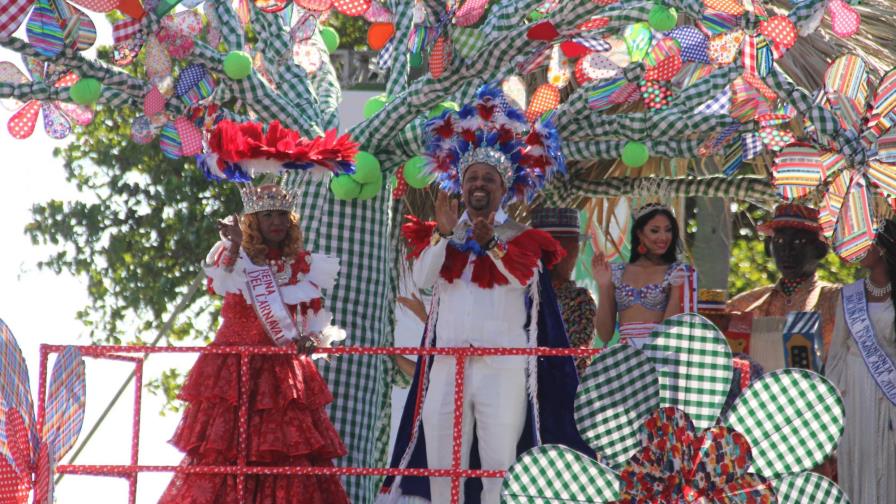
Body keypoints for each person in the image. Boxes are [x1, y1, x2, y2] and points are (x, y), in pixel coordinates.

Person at [382, 84, 589, 504]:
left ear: (503, 188)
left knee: (499, 466)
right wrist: (443, 235)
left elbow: (522, 278)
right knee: (442, 468)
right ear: (461, 186)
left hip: (502, 367)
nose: (479, 184)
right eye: (472, 177)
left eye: (488, 179)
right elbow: (422, 279)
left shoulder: (523, 238)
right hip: (447, 364)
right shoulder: (444, 235)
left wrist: (492, 244)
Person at [159, 184, 350, 504]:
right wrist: (236, 245)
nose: (276, 222)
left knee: (287, 453)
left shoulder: (302, 264)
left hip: (282, 376)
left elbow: (315, 319)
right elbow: (219, 283)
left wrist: (312, 339)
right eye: (267, 215)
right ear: (253, 222)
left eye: (282, 215)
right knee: (224, 452)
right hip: (232, 370)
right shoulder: (233, 255)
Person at [826, 218, 896, 503]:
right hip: (855, 393)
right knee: (859, 458)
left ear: (883, 246)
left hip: (890, 394)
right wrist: (831, 407)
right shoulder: (849, 295)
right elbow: (836, 356)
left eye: (864, 240)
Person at [727, 203, 840, 360]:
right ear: (769, 248)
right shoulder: (744, 305)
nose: (787, 251)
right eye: (779, 241)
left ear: (820, 249)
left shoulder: (837, 301)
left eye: (799, 242)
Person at [590, 203, 691, 348]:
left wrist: (677, 290)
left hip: (659, 354)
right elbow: (605, 335)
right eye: (655, 231)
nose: (663, 237)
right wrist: (604, 285)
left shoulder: (676, 272)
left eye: (668, 230)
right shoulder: (617, 272)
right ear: (639, 233)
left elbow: (670, 332)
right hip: (625, 357)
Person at [531, 207, 596, 373]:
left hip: (565, 382)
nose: (575, 254)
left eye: (574, 247)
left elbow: (576, 350)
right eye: (572, 247)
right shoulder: (524, 293)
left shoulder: (579, 298)